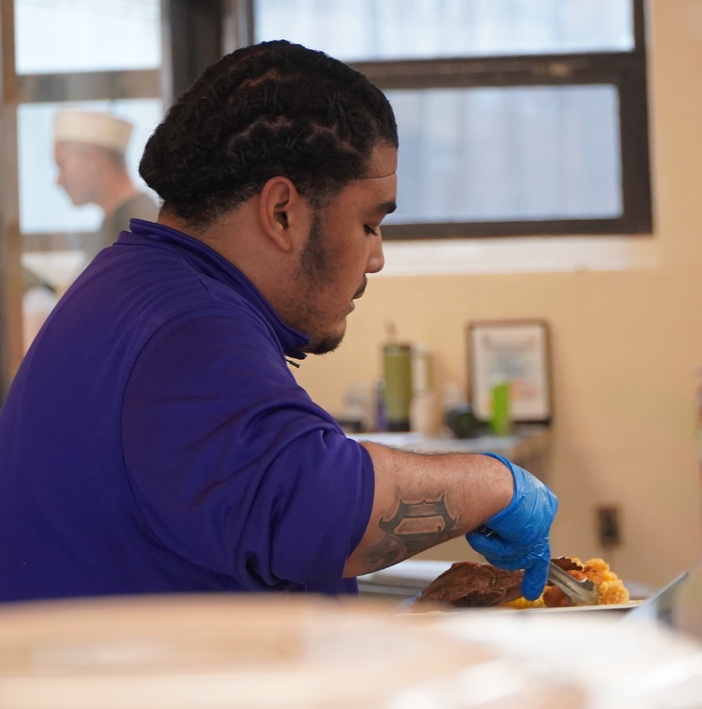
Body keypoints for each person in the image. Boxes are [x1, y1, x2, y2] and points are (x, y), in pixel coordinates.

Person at [0, 41, 557, 604]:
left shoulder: (139, 283)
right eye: (369, 223)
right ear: (282, 212)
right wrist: (496, 485)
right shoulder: (189, 326)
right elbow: (317, 503)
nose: (376, 257)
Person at [53, 108, 160, 265]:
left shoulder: (139, 223)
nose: (58, 181)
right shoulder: (114, 223)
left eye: (61, 165)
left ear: (93, 158)